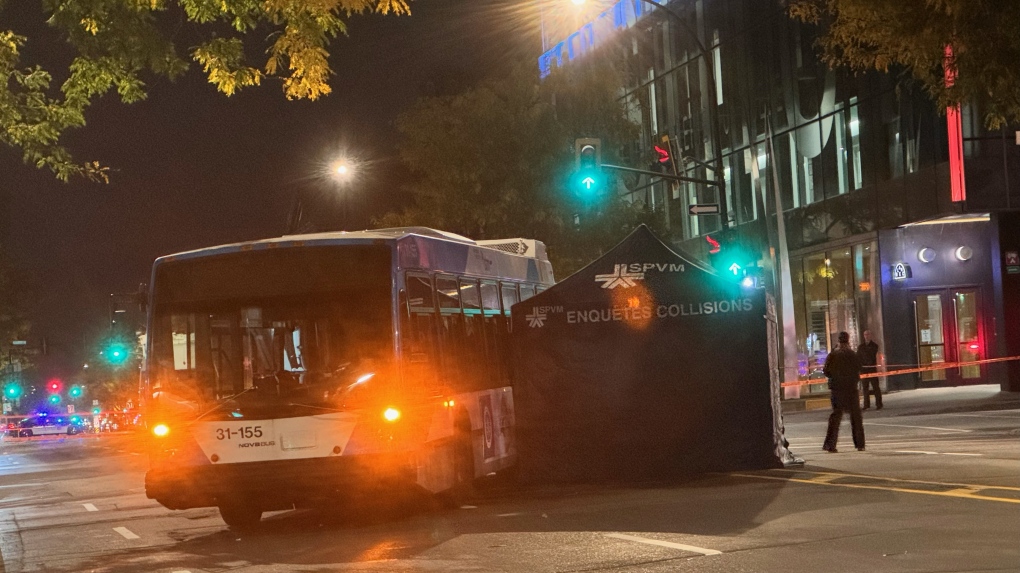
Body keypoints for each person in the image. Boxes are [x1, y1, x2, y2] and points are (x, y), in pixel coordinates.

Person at [822, 331, 865, 452]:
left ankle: (830, 444)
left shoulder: (833, 355)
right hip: (851, 389)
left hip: (837, 389)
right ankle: (860, 444)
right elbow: (859, 368)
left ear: (838, 341)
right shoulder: (852, 354)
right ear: (848, 340)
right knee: (856, 417)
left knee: (836, 417)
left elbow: (826, 371)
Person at [857, 329, 882, 410]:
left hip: (872, 369)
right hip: (864, 370)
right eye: (865, 334)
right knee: (865, 388)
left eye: (868, 334)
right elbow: (858, 357)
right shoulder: (861, 347)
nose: (866, 336)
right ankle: (866, 404)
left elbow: (873, 356)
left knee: (876, 387)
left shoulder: (874, 346)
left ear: (870, 335)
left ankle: (879, 404)